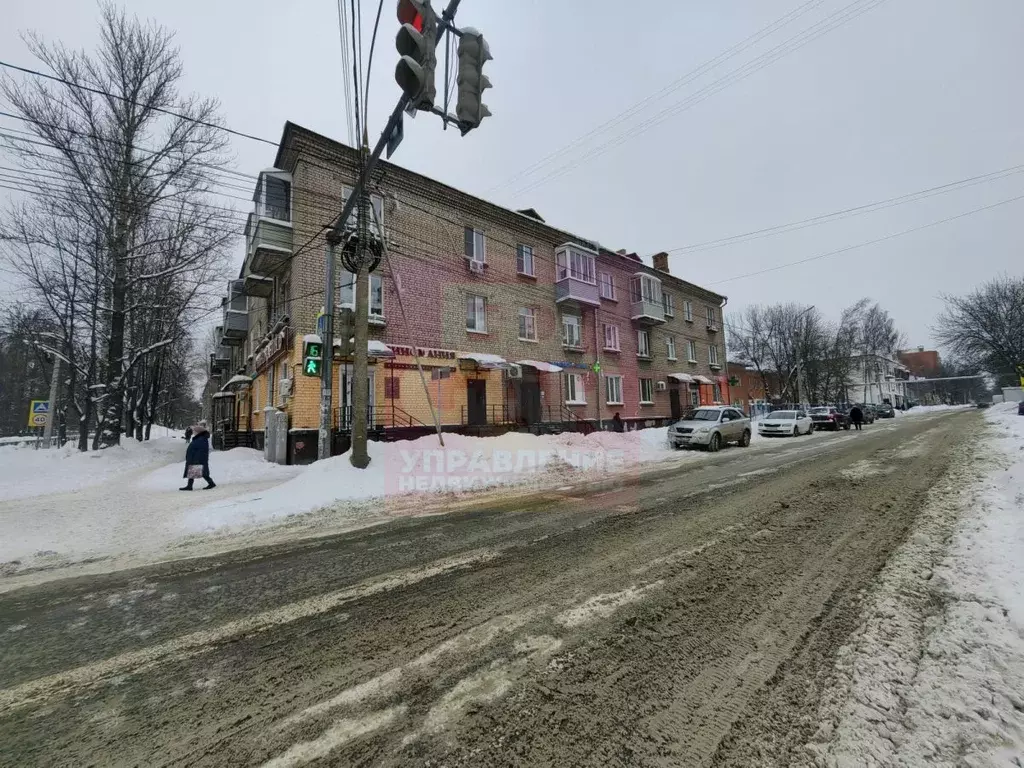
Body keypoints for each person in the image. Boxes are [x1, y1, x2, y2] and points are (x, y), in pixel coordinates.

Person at [180, 420, 215, 491]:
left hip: (198, 458)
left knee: (203, 472)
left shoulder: (201, 439)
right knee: (193, 471)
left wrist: (196, 458)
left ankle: (211, 483)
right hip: (195, 458)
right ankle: (189, 486)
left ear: (199, 432)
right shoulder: (199, 438)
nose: (194, 433)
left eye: (195, 432)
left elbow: (200, 450)